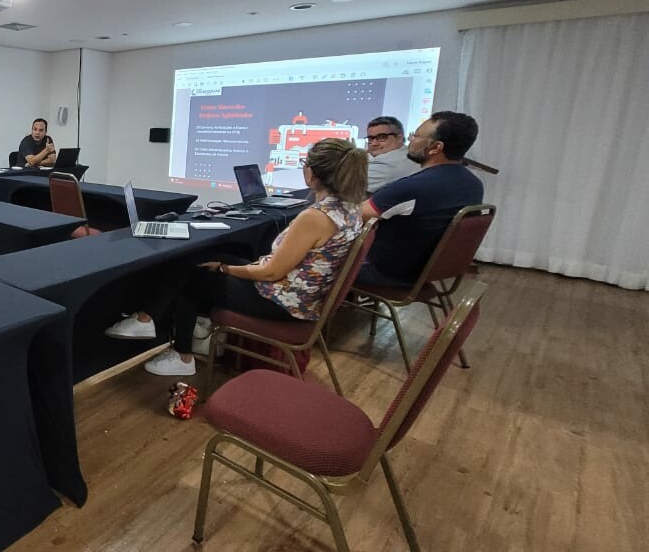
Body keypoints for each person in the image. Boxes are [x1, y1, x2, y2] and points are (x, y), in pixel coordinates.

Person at [106, 138, 367, 376]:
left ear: (313, 174)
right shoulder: (351, 210)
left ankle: (178, 352)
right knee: (206, 257)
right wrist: (227, 264)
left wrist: (225, 269)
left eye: (304, 163)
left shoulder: (315, 217)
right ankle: (149, 320)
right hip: (299, 296)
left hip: (281, 301)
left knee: (195, 275)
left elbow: (271, 273)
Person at [358, 111, 484, 287]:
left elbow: (355, 215)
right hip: (430, 271)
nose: (410, 141)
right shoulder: (473, 183)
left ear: (436, 148)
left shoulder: (412, 187)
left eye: (416, 136)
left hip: (388, 273)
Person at [365, 116, 418, 192]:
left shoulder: (387, 164)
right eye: (370, 138)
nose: (374, 143)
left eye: (382, 137)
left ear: (399, 138)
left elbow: (347, 186)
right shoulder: (405, 152)